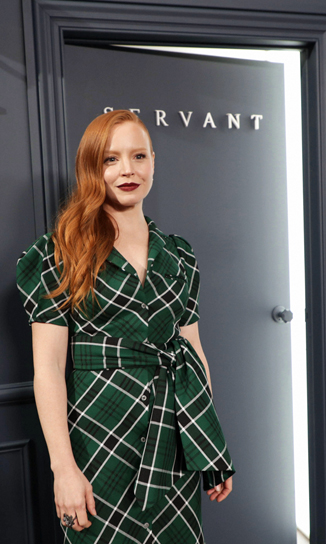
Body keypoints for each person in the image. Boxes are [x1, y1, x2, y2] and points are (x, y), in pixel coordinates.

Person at [16, 109, 234, 543]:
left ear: (153, 160)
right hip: (98, 440)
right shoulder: (57, 253)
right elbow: (48, 369)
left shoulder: (179, 255)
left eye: (138, 156)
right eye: (110, 159)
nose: (128, 170)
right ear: (91, 168)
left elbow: (193, 354)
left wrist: (207, 444)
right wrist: (64, 469)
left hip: (173, 440)